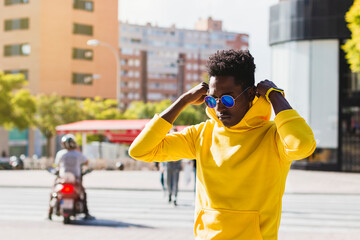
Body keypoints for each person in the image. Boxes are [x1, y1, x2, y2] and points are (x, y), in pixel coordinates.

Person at [129, 49, 316, 240]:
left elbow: (302, 145)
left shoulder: (273, 137)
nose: (219, 107)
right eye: (212, 99)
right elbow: (140, 151)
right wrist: (183, 100)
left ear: (251, 94)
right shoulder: (202, 134)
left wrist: (276, 96)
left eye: (228, 98)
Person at [52, 134, 94, 220]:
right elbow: (87, 162)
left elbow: (57, 164)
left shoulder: (61, 154)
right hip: (75, 179)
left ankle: (49, 213)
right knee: (83, 194)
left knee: (53, 192)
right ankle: (86, 213)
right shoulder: (78, 154)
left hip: (63, 179)